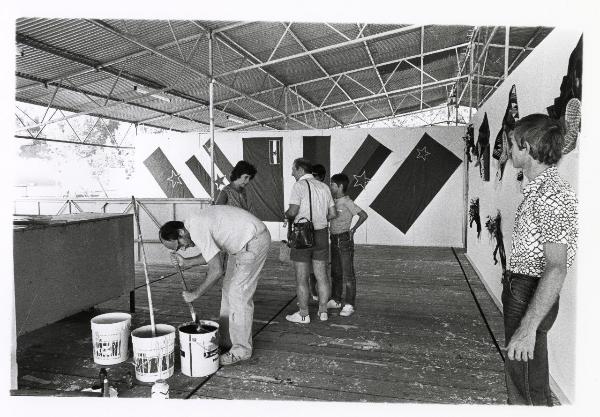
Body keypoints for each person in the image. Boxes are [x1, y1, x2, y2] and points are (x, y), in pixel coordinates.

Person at [503, 113, 578, 405]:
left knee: (523, 377)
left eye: (512, 143)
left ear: (527, 146)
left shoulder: (550, 194)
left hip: (530, 289)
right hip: (524, 287)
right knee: (527, 374)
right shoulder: (539, 189)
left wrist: (528, 326)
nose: (508, 150)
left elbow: (557, 267)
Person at [158, 205, 271, 366]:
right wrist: (186, 261)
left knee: (238, 293)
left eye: (179, 245)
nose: (183, 248)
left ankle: (242, 350)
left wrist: (195, 294)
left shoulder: (197, 227)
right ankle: (227, 341)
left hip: (253, 241)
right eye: (179, 249)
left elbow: (217, 269)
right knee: (228, 290)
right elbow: (210, 255)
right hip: (239, 246)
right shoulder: (193, 224)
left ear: (181, 232)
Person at [285, 158, 336, 323]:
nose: (292, 173)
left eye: (293, 169)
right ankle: (323, 312)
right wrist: (321, 218)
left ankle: (304, 314)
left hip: (302, 234)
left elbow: (293, 211)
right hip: (321, 233)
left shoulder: (298, 186)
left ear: (300, 170)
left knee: (302, 277)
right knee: (322, 276)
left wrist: (286, 215)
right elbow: (333, 214)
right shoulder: (324, 186)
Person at [327, 173, 368, 317]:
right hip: (333, 239)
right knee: (336, 272)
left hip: (344, 240)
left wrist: (353, 229)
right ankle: (336, 299)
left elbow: (363, 215)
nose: (330, 186)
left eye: (332, 184)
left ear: (340, 186)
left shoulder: (347, 202)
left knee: (348, 274)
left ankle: (349, 304)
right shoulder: (333, 201)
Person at [308, 163, 327, 302]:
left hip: (315, 231)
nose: (312, 179)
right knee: (312, 269)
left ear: (321, 177)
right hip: (318, 231)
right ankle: (317, 298)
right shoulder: (325, 190)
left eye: (315, 176)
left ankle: (319, 297)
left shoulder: (322, 190)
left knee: (318, 269)